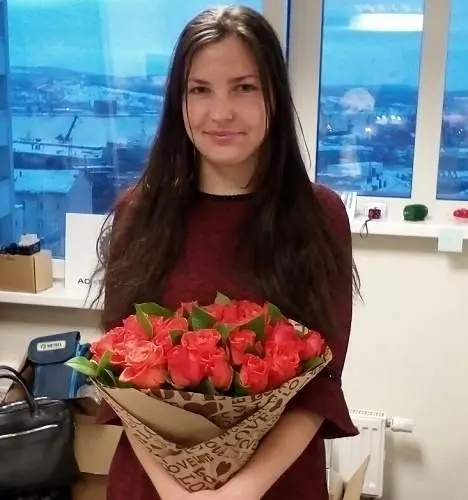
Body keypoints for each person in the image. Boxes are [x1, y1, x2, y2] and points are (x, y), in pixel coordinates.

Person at [95, 5, 360, 500]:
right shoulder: (139, 212)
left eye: (244, 87)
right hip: (153, 487)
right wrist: (176, 490)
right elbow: (119, 372)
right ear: (178, 101)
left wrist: (241, 491)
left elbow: (321, 380)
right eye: (200, 90)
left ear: (273, 97)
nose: (220, 113)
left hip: (277, 485)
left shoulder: (318, 215)